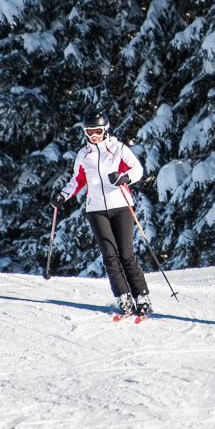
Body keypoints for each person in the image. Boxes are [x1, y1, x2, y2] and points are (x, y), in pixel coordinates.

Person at [53, 114, 151, 318]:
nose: (94, 135)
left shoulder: (118, 149)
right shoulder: (83, 154)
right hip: (95, 209)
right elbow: (78, 180)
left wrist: (123, 178)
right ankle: (123, 297)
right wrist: (63, 195)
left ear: (105, 130)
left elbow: (138, 169)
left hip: (121, 206)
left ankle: (141, 296)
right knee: (109, 255)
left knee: (126, 254)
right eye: (89, 132)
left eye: (97, 131)